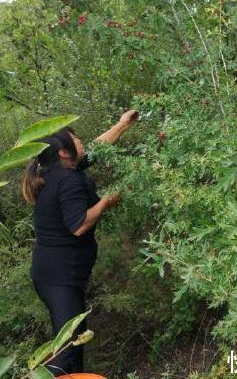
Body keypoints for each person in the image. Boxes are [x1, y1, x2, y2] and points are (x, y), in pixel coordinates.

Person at [21, 110, 139, 376]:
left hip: (52, 274)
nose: (83, 142)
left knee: (75, 338)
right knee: (68, 347)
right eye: (77, 139)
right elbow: (79, 225)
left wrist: (122, 125)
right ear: (64, 152)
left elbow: (95, 150)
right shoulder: (68, 181)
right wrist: (106, 201)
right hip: (60, 277)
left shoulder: (55, 170)